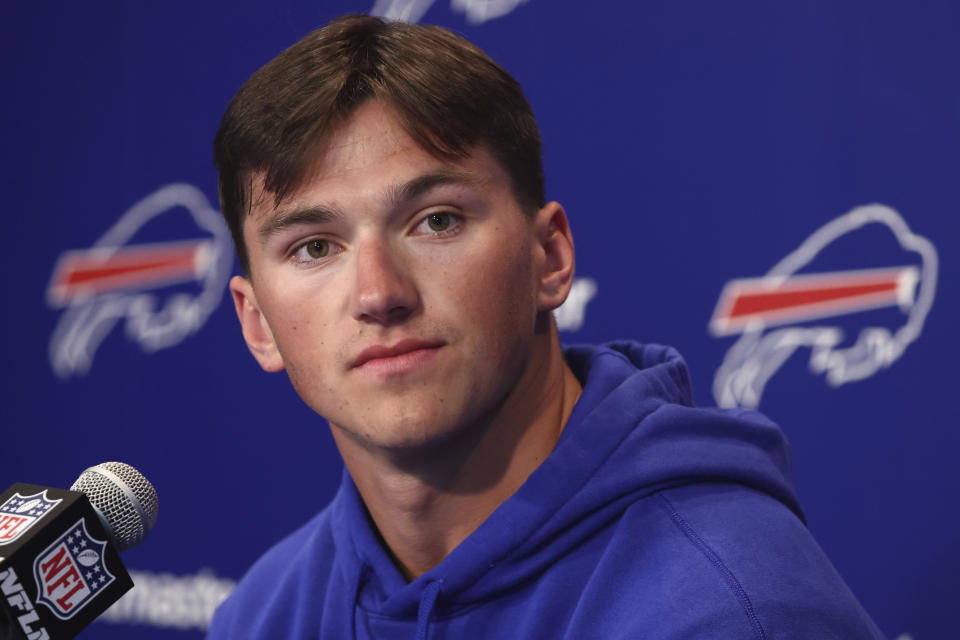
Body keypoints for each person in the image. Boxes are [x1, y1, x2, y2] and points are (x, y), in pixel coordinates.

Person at [207, 14, 884, 639]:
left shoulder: (729, 609)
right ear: (257, 321)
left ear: (550, 259)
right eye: (314, 247)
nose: (380, 293)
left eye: (437, 221)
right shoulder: (263, 615)